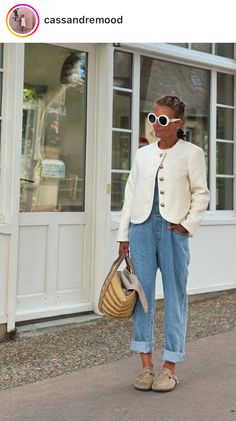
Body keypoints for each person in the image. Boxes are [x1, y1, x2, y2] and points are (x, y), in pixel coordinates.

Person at [117, 95, 210, 392]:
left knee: (174, 296)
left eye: (163, 120)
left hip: (173, 231)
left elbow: (201, 194)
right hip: (141, 228)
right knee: (141, 297)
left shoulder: (192, 153)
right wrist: (124, 235)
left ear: (178, 123)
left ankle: (170, 366)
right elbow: (130, 194)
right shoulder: (143, 154)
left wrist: (186, 225)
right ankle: (146, 366)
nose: (156, 124)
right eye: (153, 118)